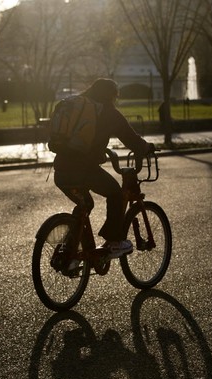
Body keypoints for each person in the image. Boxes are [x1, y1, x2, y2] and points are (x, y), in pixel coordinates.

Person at [53, 78, 154, 258]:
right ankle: (114, 242)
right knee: (115, 193)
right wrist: (146, 148)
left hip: (61, 170)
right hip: (84, 171)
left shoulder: (79, 107)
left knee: (85, 204)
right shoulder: (108, 112)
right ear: (111, 96)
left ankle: (69, 252)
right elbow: (130, 138)